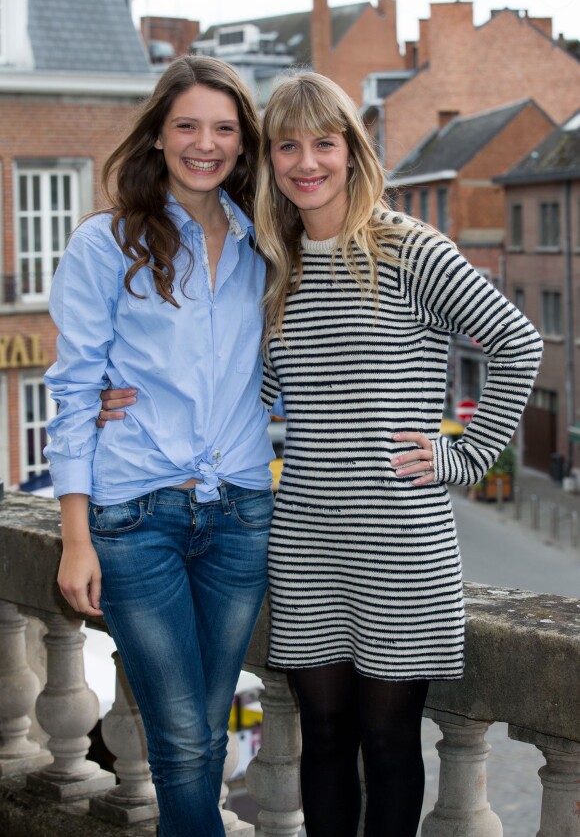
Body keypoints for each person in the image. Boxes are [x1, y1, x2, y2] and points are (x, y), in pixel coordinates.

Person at [253, 71, 543, 837]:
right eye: (288, 145)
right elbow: (246, 394)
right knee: (322, 742)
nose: (306, 161)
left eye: (324, 141)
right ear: (270, 159)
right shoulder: (274, 267)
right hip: (307, 540)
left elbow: (518, 342)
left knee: (387, 746)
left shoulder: (410, 250)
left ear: (351, 151)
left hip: (400, 545)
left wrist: (464, 456)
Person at [44, 55, 275, 837]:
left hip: (242, 515)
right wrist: (76, 537)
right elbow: (75, 393)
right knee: (181, 739)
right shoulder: (105, 245)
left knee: (209, 731)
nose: (204, 144)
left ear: (244, 145)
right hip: (136, 517)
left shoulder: (266, 248)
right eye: (187, 126)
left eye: (223, 128)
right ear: (158, 135)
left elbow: (277, 372)